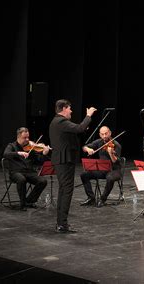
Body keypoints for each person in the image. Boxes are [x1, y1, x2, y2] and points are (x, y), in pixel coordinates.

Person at [49, 99, 96, 233]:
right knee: (67, 190)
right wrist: (88, 115)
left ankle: (60, 222)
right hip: (64, 161)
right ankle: (62, 224)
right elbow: (79, 127)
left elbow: (76, 132)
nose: (71, 111)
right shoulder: (61, 121)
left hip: (61, 160)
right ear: (64, 108)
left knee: (63, 190)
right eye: (69, 108)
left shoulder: (56, 122)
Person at [3, 127, 49, 211]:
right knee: (21, 179)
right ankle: (22, 203)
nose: (27, 139)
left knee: (43, 181)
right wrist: (18, 153)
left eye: (28, 137)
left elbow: (39, 160)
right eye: (25, 138)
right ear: (18, 136)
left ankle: (29, 201)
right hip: (15, 172)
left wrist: (44, 154)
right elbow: (6, 154)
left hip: (28, 172)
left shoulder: (30, 147)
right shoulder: (11, 146)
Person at [80, 126, 122, 207]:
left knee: (110, 178)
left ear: (110, 133)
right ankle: (91, 198)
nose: (104, 136)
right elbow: (84, 147)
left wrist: (111, 153)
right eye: (102, 134)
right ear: (100, 135)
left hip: (114, 170)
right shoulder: (99, 142)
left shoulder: (116, 145)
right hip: (103, 170)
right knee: (84, 174)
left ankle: (103, 199)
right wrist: (88, 149)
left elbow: (115, 161)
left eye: (106, 134)